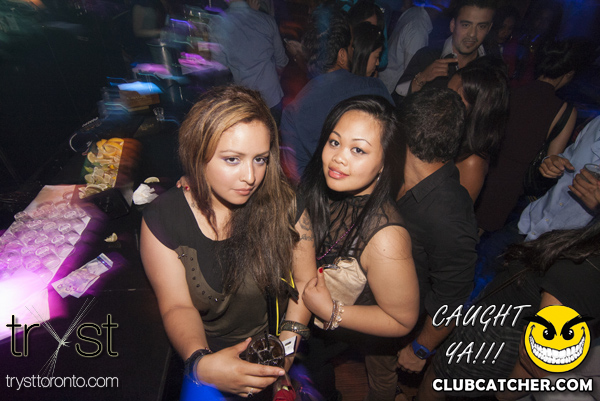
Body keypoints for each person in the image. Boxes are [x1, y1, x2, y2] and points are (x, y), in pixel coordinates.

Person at [140, 86, 316, 399]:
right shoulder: (164, 218)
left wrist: (284, 357)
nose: (250, 176)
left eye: (260, 159)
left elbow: (304, 284)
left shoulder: (287, 206)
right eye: (232, 159)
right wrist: (201, 363)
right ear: (198, 153)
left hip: (270, 350)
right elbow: (177, 306)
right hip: (207, 354)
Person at [299, 95, 420, 400]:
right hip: (297, 313)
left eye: (358, 150)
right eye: (334, 142)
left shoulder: (385, 237)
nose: (338, 158)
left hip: (328, 331)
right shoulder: (322, 188)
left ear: (384, 164)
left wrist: (331, 312)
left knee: (314, 380)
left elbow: (402, 320)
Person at [364, 88, 477, 399]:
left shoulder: (450, 216)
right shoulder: (397, 171)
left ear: (403, 134)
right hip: (373, 299)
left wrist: (420, 348)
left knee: (381, 379)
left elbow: (452, 298)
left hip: (400, 322)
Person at [417, 215, 600, 400]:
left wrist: (503, 396)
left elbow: (538, 358)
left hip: (495, 336)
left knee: (437, 381)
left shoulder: (584, 274)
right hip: (495, 324)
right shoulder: (589, 253)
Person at [475, 39, 583, 233]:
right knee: (475, 237)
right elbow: (550, 160)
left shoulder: (510, 89)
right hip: (509, 185)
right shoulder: (565, 111)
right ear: (568, 74)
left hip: (481, 168)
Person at [280, 7, 392, 182]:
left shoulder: (293, 110)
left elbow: (297, 176)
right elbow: (393, 149)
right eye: (351, 47)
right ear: (342, 55)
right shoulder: (374, 88)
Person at [518, 115, 600, 241]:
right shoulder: (596, 123)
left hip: (567, 244)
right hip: (532, 221)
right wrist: (552, 163)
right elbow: (568, 159)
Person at [393, 0, 495, 98]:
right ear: (453, 25)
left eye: (481, 26)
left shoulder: (491, 68)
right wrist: (421, 79)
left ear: (489, 28)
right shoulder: (427, 56)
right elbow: (397, 100)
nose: (472, 34)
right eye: (466, 25)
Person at [209, 0, 288, 125]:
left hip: (245, 100)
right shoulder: (266, 20)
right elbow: (281, 61)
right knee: (273, 134)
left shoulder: (217, 24)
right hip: (272, 95)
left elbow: (220, 66)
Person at [447, 55, 510, 202]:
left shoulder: (472, 163)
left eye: (453, 97)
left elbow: (453, 214)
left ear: (477, 110)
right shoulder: (449, 132)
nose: (442, 99)